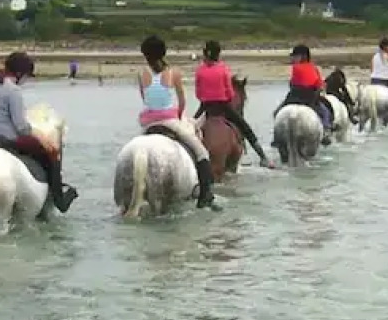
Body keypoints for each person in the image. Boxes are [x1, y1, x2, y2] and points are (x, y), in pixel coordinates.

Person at [0, 51, 79, 212]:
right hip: (7, 141)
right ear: (19, 73)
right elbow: (22, 127)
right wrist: (42, 137)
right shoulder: (14, 90)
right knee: (52, 152)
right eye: (26, 76)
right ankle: (60, 200)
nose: (26, 80)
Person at [136, 34, 217, 209]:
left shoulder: (141, 74)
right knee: (201, 152)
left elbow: (144, 98)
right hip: (169, 120)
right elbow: (182, 102)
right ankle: (205, 195)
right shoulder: (174, 73)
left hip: (148, 122)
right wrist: (179, 116)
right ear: (163, 53)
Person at [192, 40, 272, 168]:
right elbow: (230, 93)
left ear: (205, 54)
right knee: (245, 128)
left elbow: (198, 94)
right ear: (218, 54)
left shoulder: (200, 71)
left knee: (190, 128)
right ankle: (263, 157)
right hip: (224, 107)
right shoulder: (223, 69)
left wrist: (207, 98)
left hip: (206, 107)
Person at [277, 44, 334, 135]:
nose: (293, 58)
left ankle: (277, 136)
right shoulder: (313, 68)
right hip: (310, 97)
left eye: (295, 56)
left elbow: (292, 83)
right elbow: (318, 84)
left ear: (303, 57)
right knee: (325, 112)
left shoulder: (295, 67)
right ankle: (326, 129)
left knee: (277, 112)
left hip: (294, 97)